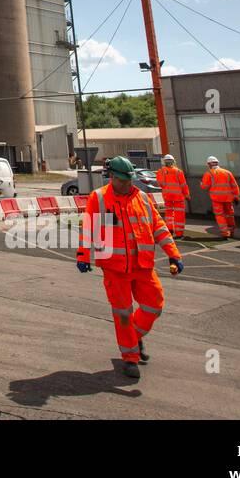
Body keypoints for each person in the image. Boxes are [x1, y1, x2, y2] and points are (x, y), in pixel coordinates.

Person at [76, 155, 183, 379]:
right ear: (112, 176)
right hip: (115, 267)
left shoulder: (142, 198)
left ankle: (134, 336)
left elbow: (158, 227)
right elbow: (89, 229)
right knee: (123, 313)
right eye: (123, 180)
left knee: (155, 305)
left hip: (142, 265)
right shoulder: (100, 198)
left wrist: (174, 254)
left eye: (129, 180)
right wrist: (83, 256)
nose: (127, 184)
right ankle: (130, 358)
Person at [201, 155, 240, 238]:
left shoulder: (209, 173)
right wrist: (236, 197)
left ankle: (225, 233)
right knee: (229, 215)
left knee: (220, 216)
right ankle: (232, 231)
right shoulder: (227, 172)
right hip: (228, 198)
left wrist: (201, 184)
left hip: (216, 199)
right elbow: (234, 186)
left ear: (209, 164)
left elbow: (205, 187)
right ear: (217, 163)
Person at [156, 153, 190, 238]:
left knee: (169, 213)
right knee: (179, 214)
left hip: (167, 196)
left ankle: (170, 229)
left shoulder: (161, 171)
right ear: (173, 161)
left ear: (164, 162)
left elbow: (161, 184)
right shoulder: (178, 171)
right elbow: (183, 185)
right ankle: (179, 233)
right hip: (178, 196)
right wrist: (187, 195)